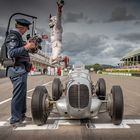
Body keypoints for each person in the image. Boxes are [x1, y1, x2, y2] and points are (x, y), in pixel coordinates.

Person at [6, 18, 36, 127]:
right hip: (16, 69)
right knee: (18, 95)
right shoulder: (14, 35)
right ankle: (15, 119)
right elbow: (12, 52)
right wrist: (26, 47)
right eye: (26, 29)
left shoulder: (18, 36)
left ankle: (21, 115)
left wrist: (28, 47)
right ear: (22, 27)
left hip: (21, 70)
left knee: (22, 94)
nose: (26, 31)